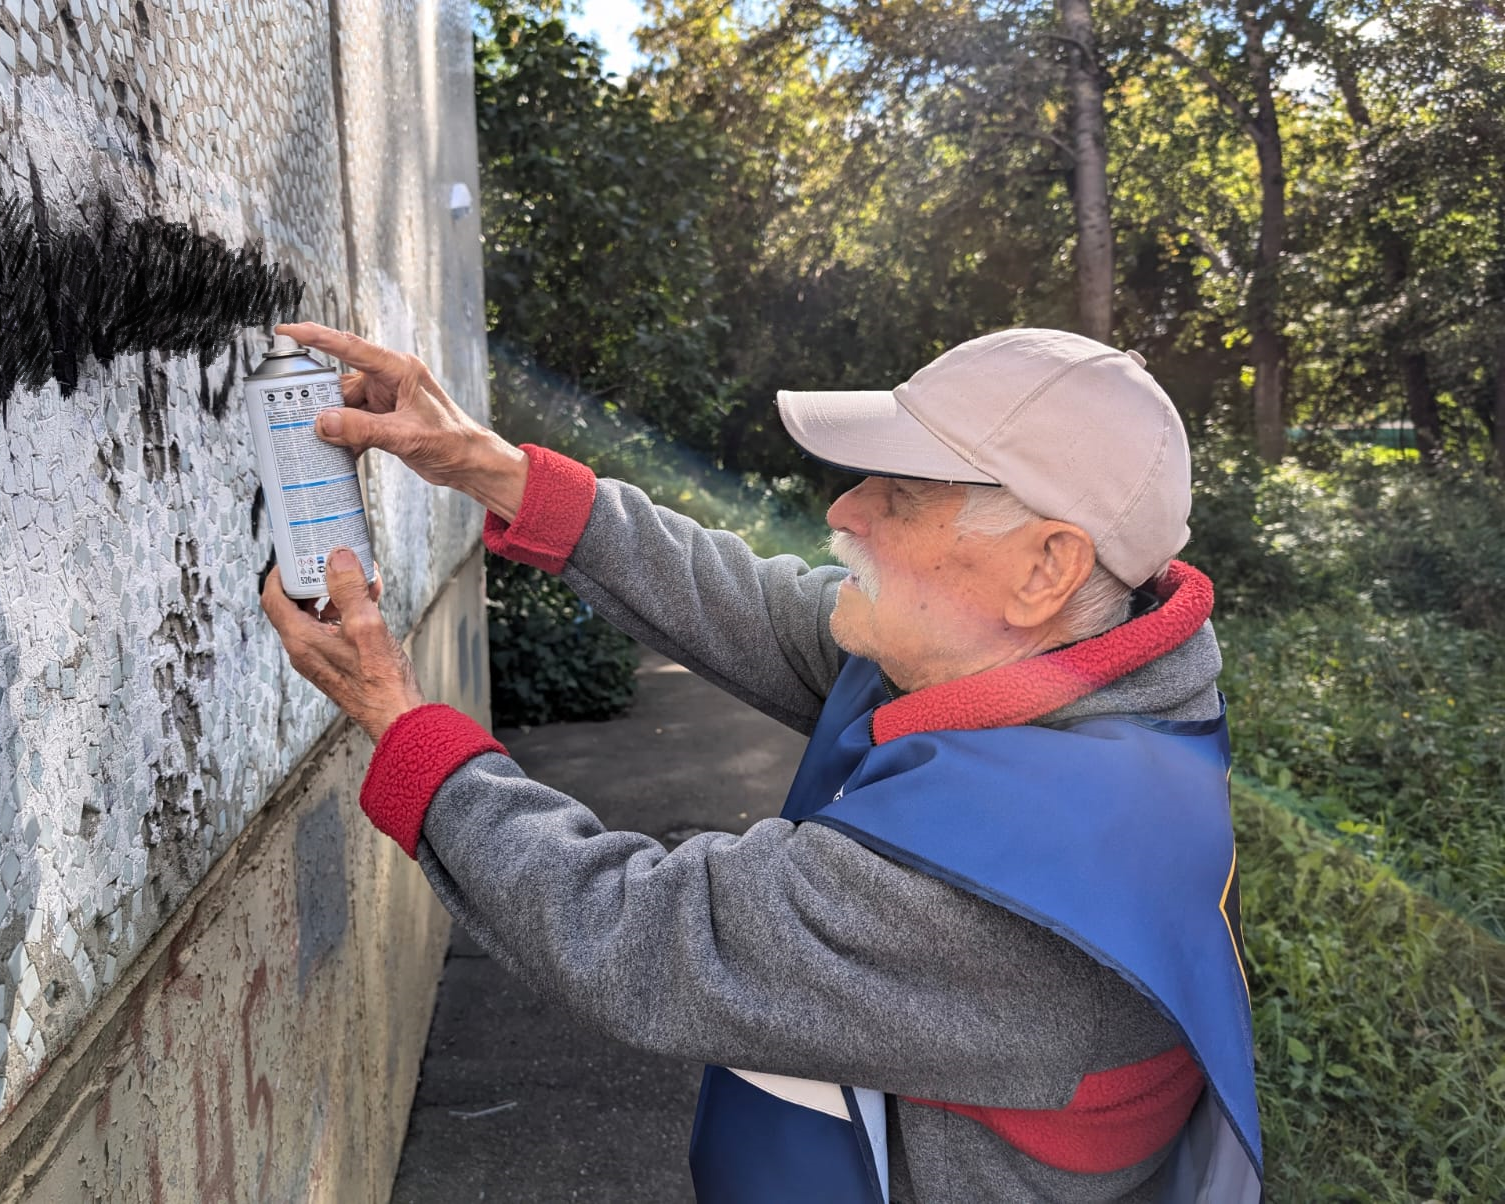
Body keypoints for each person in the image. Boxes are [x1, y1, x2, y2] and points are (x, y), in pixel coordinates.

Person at [260, 322, 1262, 1204]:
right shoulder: (1063, 672)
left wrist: (399, 720)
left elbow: (642, 929)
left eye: (900, 496)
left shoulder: (1011, 879)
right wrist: (486, 466)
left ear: (1046, 566)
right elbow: (759, 606)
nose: (843, 512)